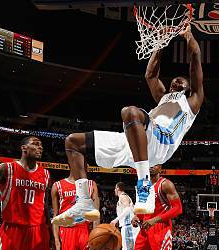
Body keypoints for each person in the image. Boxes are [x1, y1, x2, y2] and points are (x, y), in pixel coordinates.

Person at [52, 25, 203, 226]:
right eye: (174, 81)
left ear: (188, 86)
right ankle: (84, 202)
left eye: (180, 81)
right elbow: (150, 76)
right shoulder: (163, 98)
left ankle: (144, 185)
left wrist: (188, 35)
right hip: (137, 143)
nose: (176, 82)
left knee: (130, 112)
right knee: (73, 142)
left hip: (162, 142)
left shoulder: (193, 100)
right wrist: (160, 44)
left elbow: (195, 57)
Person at [111, 182, 140, 250]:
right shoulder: (124, 197)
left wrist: (116, 220)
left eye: (115, 188)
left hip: (128, 227)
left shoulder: (123, 196)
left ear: (118, 188)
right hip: (128, 227)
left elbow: (128, 209)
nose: (114, 190)